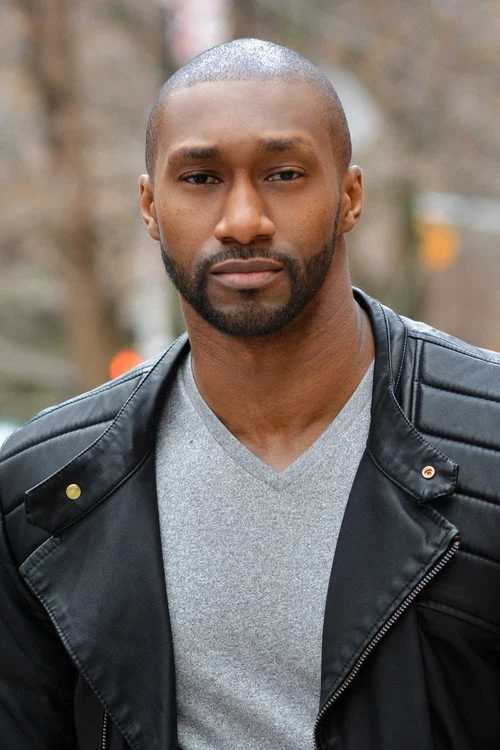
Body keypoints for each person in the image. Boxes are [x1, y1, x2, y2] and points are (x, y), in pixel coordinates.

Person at [0, 38, 499, 750]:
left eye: (284, 174)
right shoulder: (44, 491)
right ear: (149, 205)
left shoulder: (489, 443)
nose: (242, 220)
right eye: (200, 178)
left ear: (350, 197)